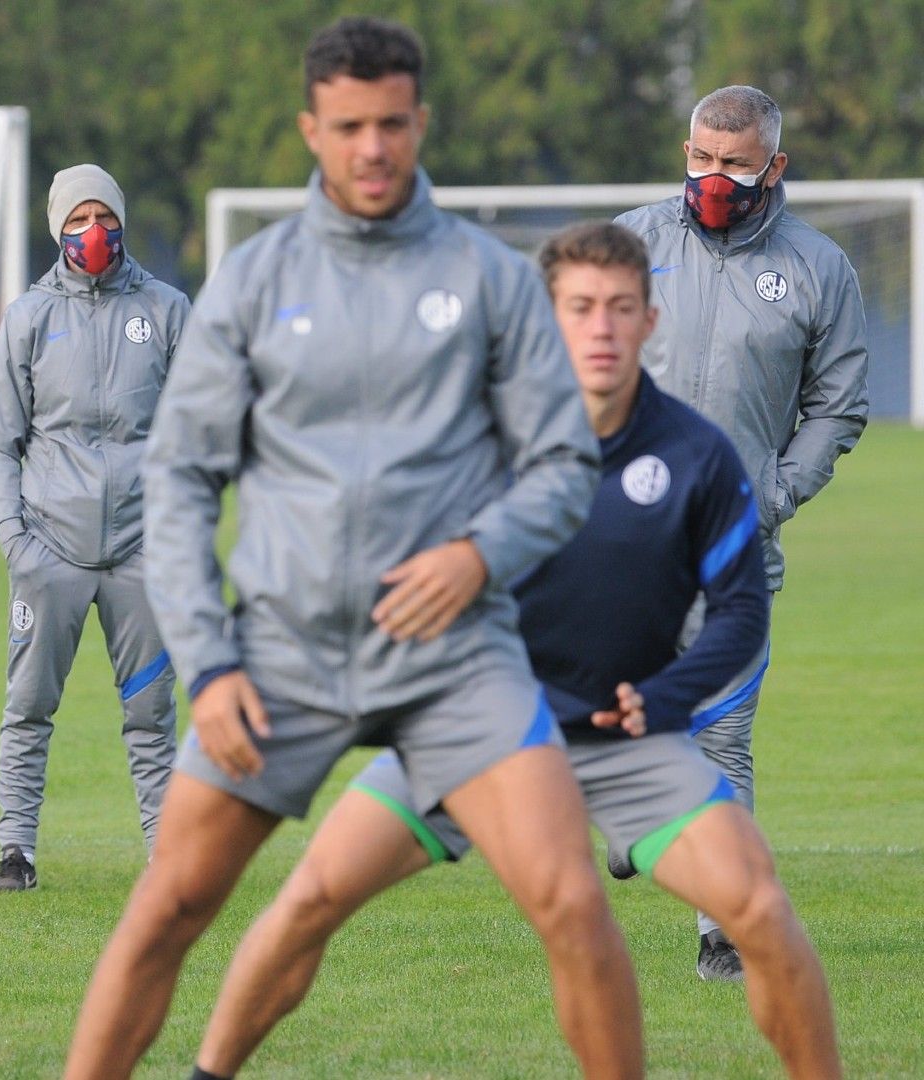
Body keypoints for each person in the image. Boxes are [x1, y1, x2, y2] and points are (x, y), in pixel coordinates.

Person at [63, 18, 642, 1079]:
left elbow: (564, 466)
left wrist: (477, 554)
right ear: (311, 132)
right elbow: (181, 479)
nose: (371, 148)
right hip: (281, 655)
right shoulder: (251, 279)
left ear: (420, 122)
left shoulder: (488, 277)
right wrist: (212, 664)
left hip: (457, 658)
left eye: (390, 124)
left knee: (569, 898)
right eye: (347, 128)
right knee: (170, 902)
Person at [188, 222, 841, 1080]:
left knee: (758, 908)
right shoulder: (472, 441)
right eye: (579, 309)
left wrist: (673, 695)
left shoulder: (698, 457)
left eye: (619, 308)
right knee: (312, 895)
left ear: (651, 319)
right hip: (472, 734)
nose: (600, 328)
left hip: (621, 741)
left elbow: (741, 612)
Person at [614, 85, 870, 980]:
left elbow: (839, 406)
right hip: (620, 542)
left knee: (722, 735)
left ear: (774, 166)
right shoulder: (629, 243)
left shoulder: (819, 269)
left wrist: (772, 495)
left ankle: (719, 932)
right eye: (699, 158)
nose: (712, 179)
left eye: (733, 164)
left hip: (735, 546)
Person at [0, 164, 191, 891]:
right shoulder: (29, 318)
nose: (92, 232)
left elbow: (200, 432)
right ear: (57, 228)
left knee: (152, 715)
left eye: (103, 216)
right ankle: (15, 852)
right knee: (29, 708)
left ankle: (168, 860)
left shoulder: (166, 311)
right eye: (77, 219)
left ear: (121, 220)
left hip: (142, 553)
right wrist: (15, 539)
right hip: (50, 551)